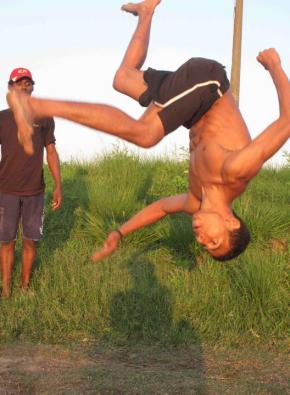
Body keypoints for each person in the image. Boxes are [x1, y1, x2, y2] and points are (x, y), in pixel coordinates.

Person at [6, 0, 290, 261]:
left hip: (191, 104)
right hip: (209, 84)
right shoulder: (236, 170)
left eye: (204, 245)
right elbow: (286, 122)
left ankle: (146, 12)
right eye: (213, 241)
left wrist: (119, 233)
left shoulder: (195, 200)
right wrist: (275, 66)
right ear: (231, 222)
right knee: (145, 134)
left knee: (123, 78)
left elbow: (161, 208)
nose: (202, 239)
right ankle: (36, 106)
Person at [0, 68, 62, 297]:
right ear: (11, 88)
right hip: (5, 190)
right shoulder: (2, 118)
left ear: (32, 87)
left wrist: (58, 185)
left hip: (35, 191)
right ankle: (6, 289)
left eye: (28, 83)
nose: (24, 86)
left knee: (30, 241)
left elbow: (52, 152)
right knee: (6, 242)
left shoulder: (44, 118)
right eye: (19, 83)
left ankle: (25, 287)